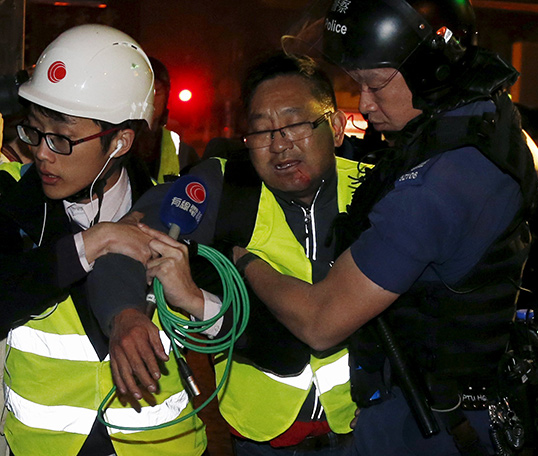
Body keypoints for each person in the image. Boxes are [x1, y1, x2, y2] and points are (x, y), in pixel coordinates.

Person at [199, 0, 538, 455]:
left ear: (431, 71)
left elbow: (321, 323)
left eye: (376, 85)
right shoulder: (490, 123)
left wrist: (243, 262)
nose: (365, 102)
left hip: (424, 424)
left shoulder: (431, 189)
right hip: (461, 405)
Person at [90, 52, 365, 455]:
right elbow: (129, 236)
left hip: (366, 430)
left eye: (295, 124)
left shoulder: (377, 193)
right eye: (262, 131)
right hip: (260, 439)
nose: (280, 144)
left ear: (336, 127)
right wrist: (124, 316)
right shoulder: (226, 188)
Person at [0, 24, 206, 455]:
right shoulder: (10, 204)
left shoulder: (178, 213)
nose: (41, 152)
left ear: (119, 142)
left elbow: (224, 333)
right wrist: (92, 243)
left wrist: (196, 298)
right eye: (34, 132)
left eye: (61, 138)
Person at [133, 56, 199, 183]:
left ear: (166, 98)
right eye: (143, 90)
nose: (150, 99)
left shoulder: (183, 154)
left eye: (156, 91)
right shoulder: (109, 143)